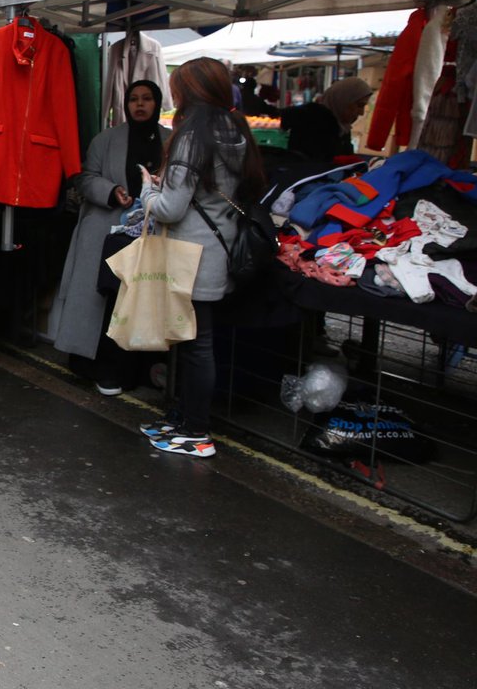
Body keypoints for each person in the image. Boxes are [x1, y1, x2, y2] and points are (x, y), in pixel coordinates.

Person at [136, 58, 266, 458]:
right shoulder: (235, 130)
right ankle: (183, 419)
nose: (174, 94)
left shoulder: (192, 136)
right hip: (218, 251)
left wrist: (147, 191)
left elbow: (171, 208)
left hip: (189, 255)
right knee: (196, 342)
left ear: (189, 91)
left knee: (195, 346)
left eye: (177, 87)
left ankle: (196, 431)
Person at [49, 79, 169, 395]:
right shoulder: (106, 139)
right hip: (106, 230)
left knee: (141, 302)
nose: (140, 105)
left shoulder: (171, 141)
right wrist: (111, 191)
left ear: (157, 103)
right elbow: (85, 178)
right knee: (106, 299)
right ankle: (99, 367)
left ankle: (139, 370)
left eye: (146, 99)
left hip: (153, 232)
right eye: (133, 99)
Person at [280, 76, 372, 161]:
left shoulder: (342, 128)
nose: (361, 113)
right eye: (360, 105)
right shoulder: (313, 117)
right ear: (343, 100)